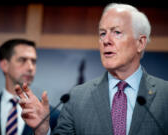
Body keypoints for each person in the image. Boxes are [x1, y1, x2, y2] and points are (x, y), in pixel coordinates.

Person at [15, 3, 168, 135]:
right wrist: (43, 130)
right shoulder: (76, 97)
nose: (106, 41)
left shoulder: (165, 95)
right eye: (102, 33)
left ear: (140, 43)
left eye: (117, 32)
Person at [0, 39, 59, 135]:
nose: (30, 67)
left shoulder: (52, 116)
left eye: (33, 61)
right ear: (4, 65)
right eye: (22, 60)